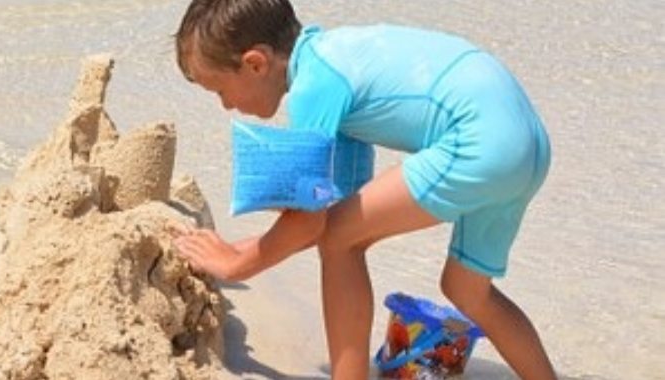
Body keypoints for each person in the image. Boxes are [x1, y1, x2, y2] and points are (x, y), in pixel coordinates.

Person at [170, 0, 556, 378]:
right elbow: (334, 210)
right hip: (527, 143)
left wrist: (235, 264)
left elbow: (319, 226)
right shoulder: (336, 56)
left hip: (479, 139)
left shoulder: (312, 88)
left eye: (220, 91)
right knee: (468, 290)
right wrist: (241, 246)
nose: (225, 106)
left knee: (340, 239)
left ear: (256, 63)